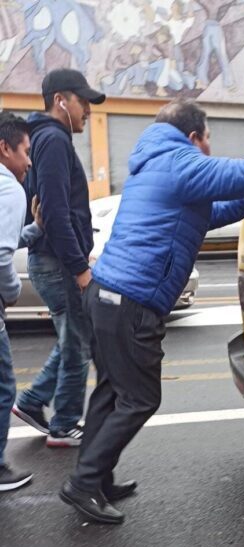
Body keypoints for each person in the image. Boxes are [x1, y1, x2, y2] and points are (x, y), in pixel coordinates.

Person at [60, 79, 244, 524]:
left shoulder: (155, 163)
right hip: (131, 302)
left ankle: (97, 476)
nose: (209, 149)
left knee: (112, 391)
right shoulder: (181, 161)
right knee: (140, 398)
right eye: (209, 140)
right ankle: (84, 483)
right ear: (194, 137)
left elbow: (210, 212)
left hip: (105, 296)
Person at [12, 69, 106, 448]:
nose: (87, 110)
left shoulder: (48, 138)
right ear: (60, 101)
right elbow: (54, 210)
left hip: (53, 259)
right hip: (57, 262)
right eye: (83, 102)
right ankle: (64, 424)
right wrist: (80, 268)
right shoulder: (52, 140)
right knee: (78, 345)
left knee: (73, 338)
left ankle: (33, 401)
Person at [0, 112, 43, 490]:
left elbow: (9, 240)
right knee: (3, 386)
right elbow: (0, 253)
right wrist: (11, 293)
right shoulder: (11, 188)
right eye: (25, 152)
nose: (29, 161)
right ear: (5, 148)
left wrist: (34, 228)